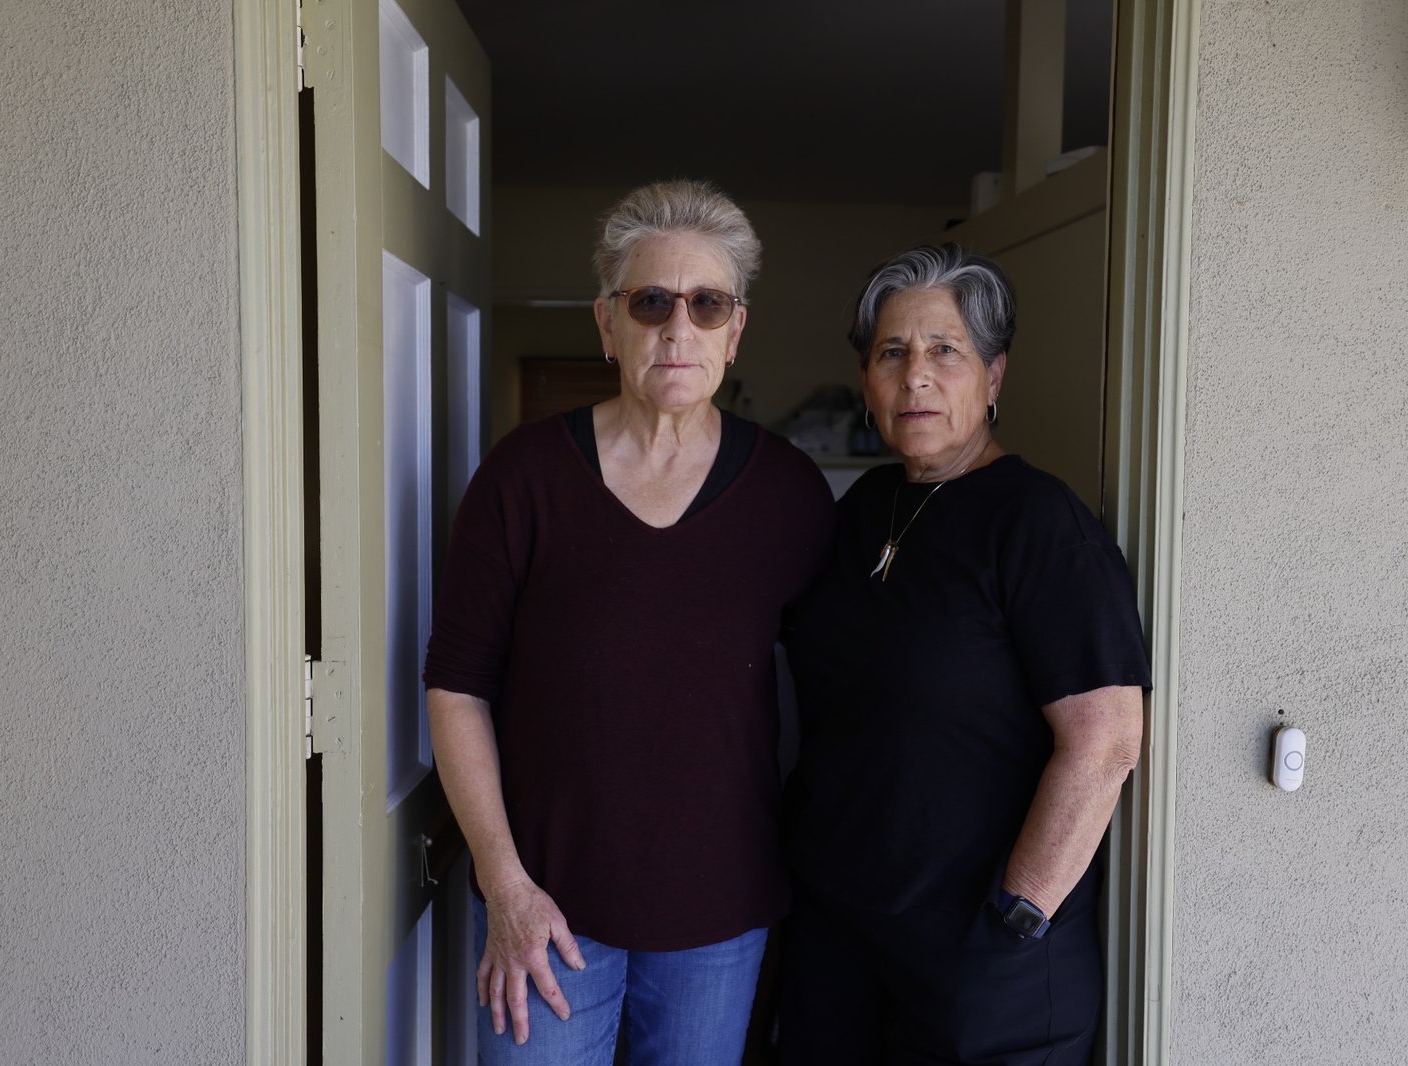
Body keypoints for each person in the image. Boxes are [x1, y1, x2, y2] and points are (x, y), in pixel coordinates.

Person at [422, 180, 834, 1065]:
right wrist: (504, 884)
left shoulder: (790, 493)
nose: (678, 328)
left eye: (706, 304)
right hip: (544, 912)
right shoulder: (524, 477)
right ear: (607, 323)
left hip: (720, 918)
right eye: (651, 302)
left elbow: (848, 685)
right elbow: (456, 685)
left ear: (735, 330)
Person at [779, 243, 1150, 1064]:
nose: (916, 375)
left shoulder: (1040, 526)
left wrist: (1018, 915)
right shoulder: (865, 508)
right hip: (840, 945)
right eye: (891, 352)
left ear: (994, 376)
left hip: (979, 968)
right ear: (867, 380)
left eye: (945, 350)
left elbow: (1106, 744)